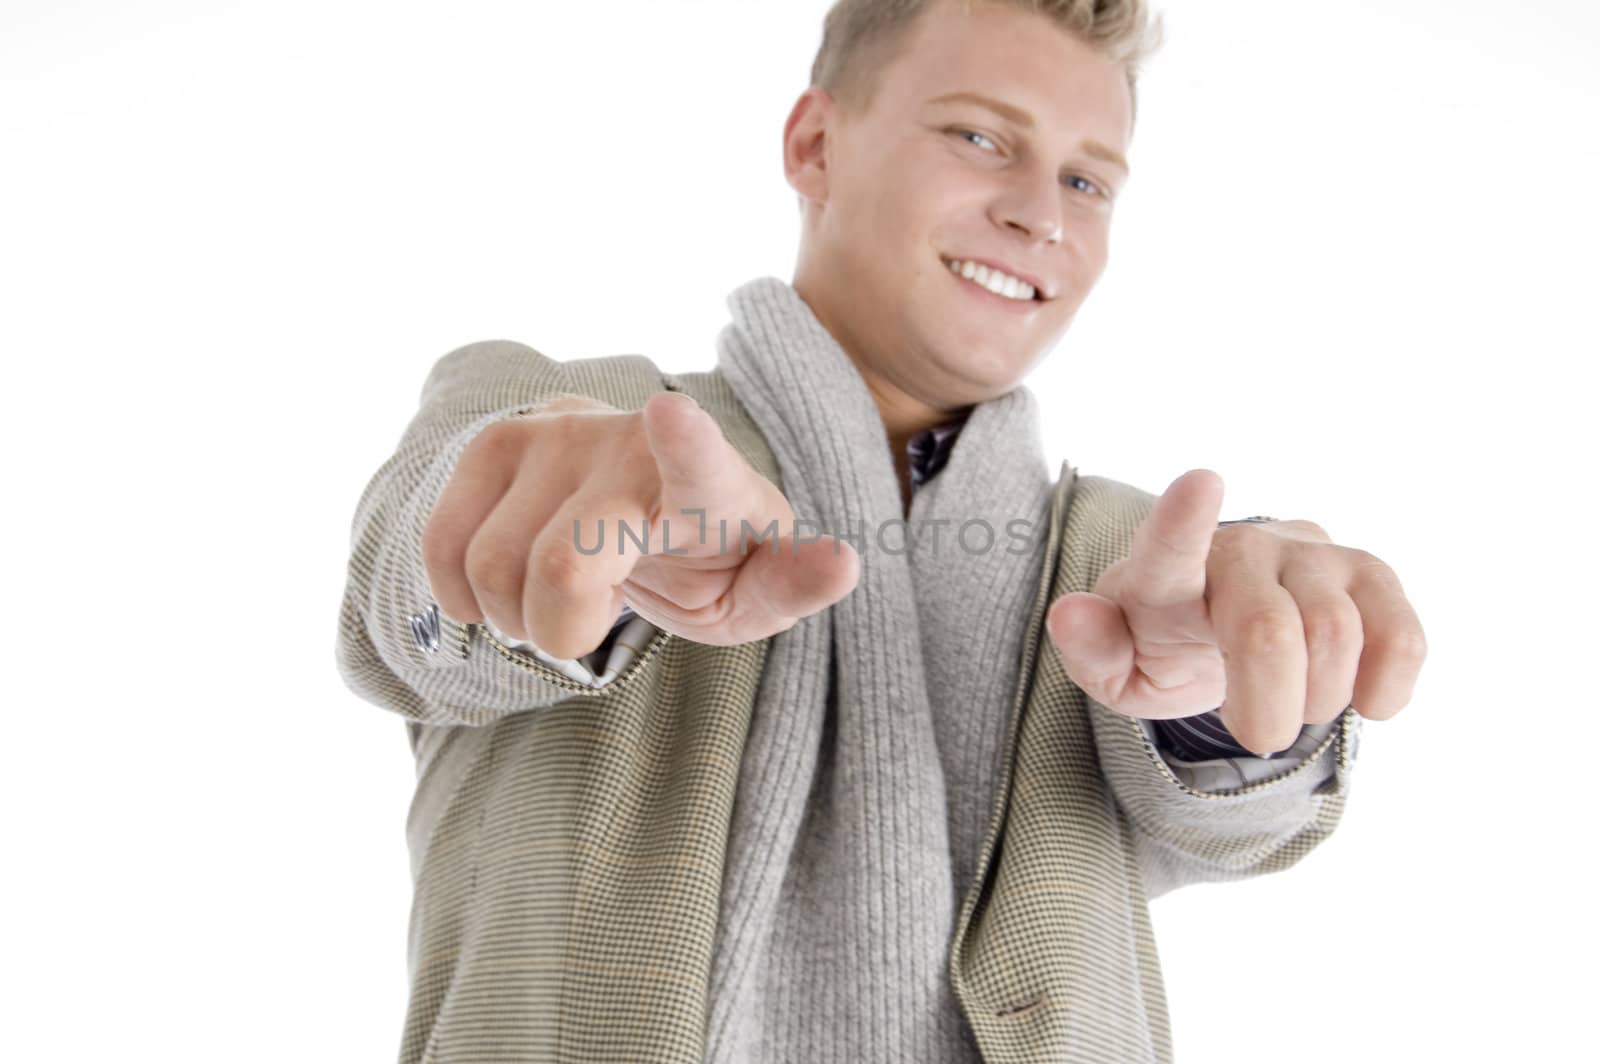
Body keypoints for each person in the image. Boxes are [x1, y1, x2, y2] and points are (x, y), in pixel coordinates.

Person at [335, 1, 1427, 1061]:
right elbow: (399, 607)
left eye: (1087, 179)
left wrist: (1229, 703)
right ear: (814, 144)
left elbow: (1236, 826)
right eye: (979, 135)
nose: (1041, 213)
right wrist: (531, 535)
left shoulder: (1135, 567)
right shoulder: (571, 419)